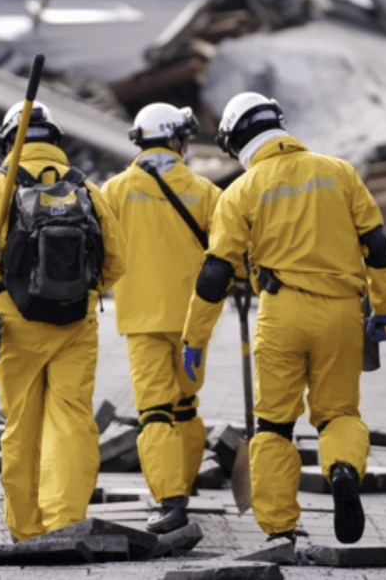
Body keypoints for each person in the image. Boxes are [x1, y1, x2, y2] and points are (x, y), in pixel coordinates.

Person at [180, 92, 386, 546]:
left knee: (275, 425)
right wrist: (385, 310)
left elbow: (215, 274)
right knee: (338, 413)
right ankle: (341, 470)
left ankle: (280, 529)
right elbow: (378, 246)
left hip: (282, 316)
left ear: (236, 141)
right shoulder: (339, 172)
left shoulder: (241, 190)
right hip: (341, 313)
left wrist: (194, 339)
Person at [0, 100, 126, 543]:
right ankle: (66, 521)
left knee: (22, 423)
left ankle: (28, 528)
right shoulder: (86, 188)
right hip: (75, 322)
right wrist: (88, 291)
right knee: (71, 419)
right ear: (55, 141)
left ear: (6, 143)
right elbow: (118, 258)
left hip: (14, 322)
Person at [102, 103, 221, 534]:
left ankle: (171, 501)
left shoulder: (114, 191)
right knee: (186, 406)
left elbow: (99, 252)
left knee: (155, 411)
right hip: (195, 323)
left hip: (142, 320)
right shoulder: (207, 192)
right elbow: (229, 254)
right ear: (175, 140)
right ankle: (184, 486)